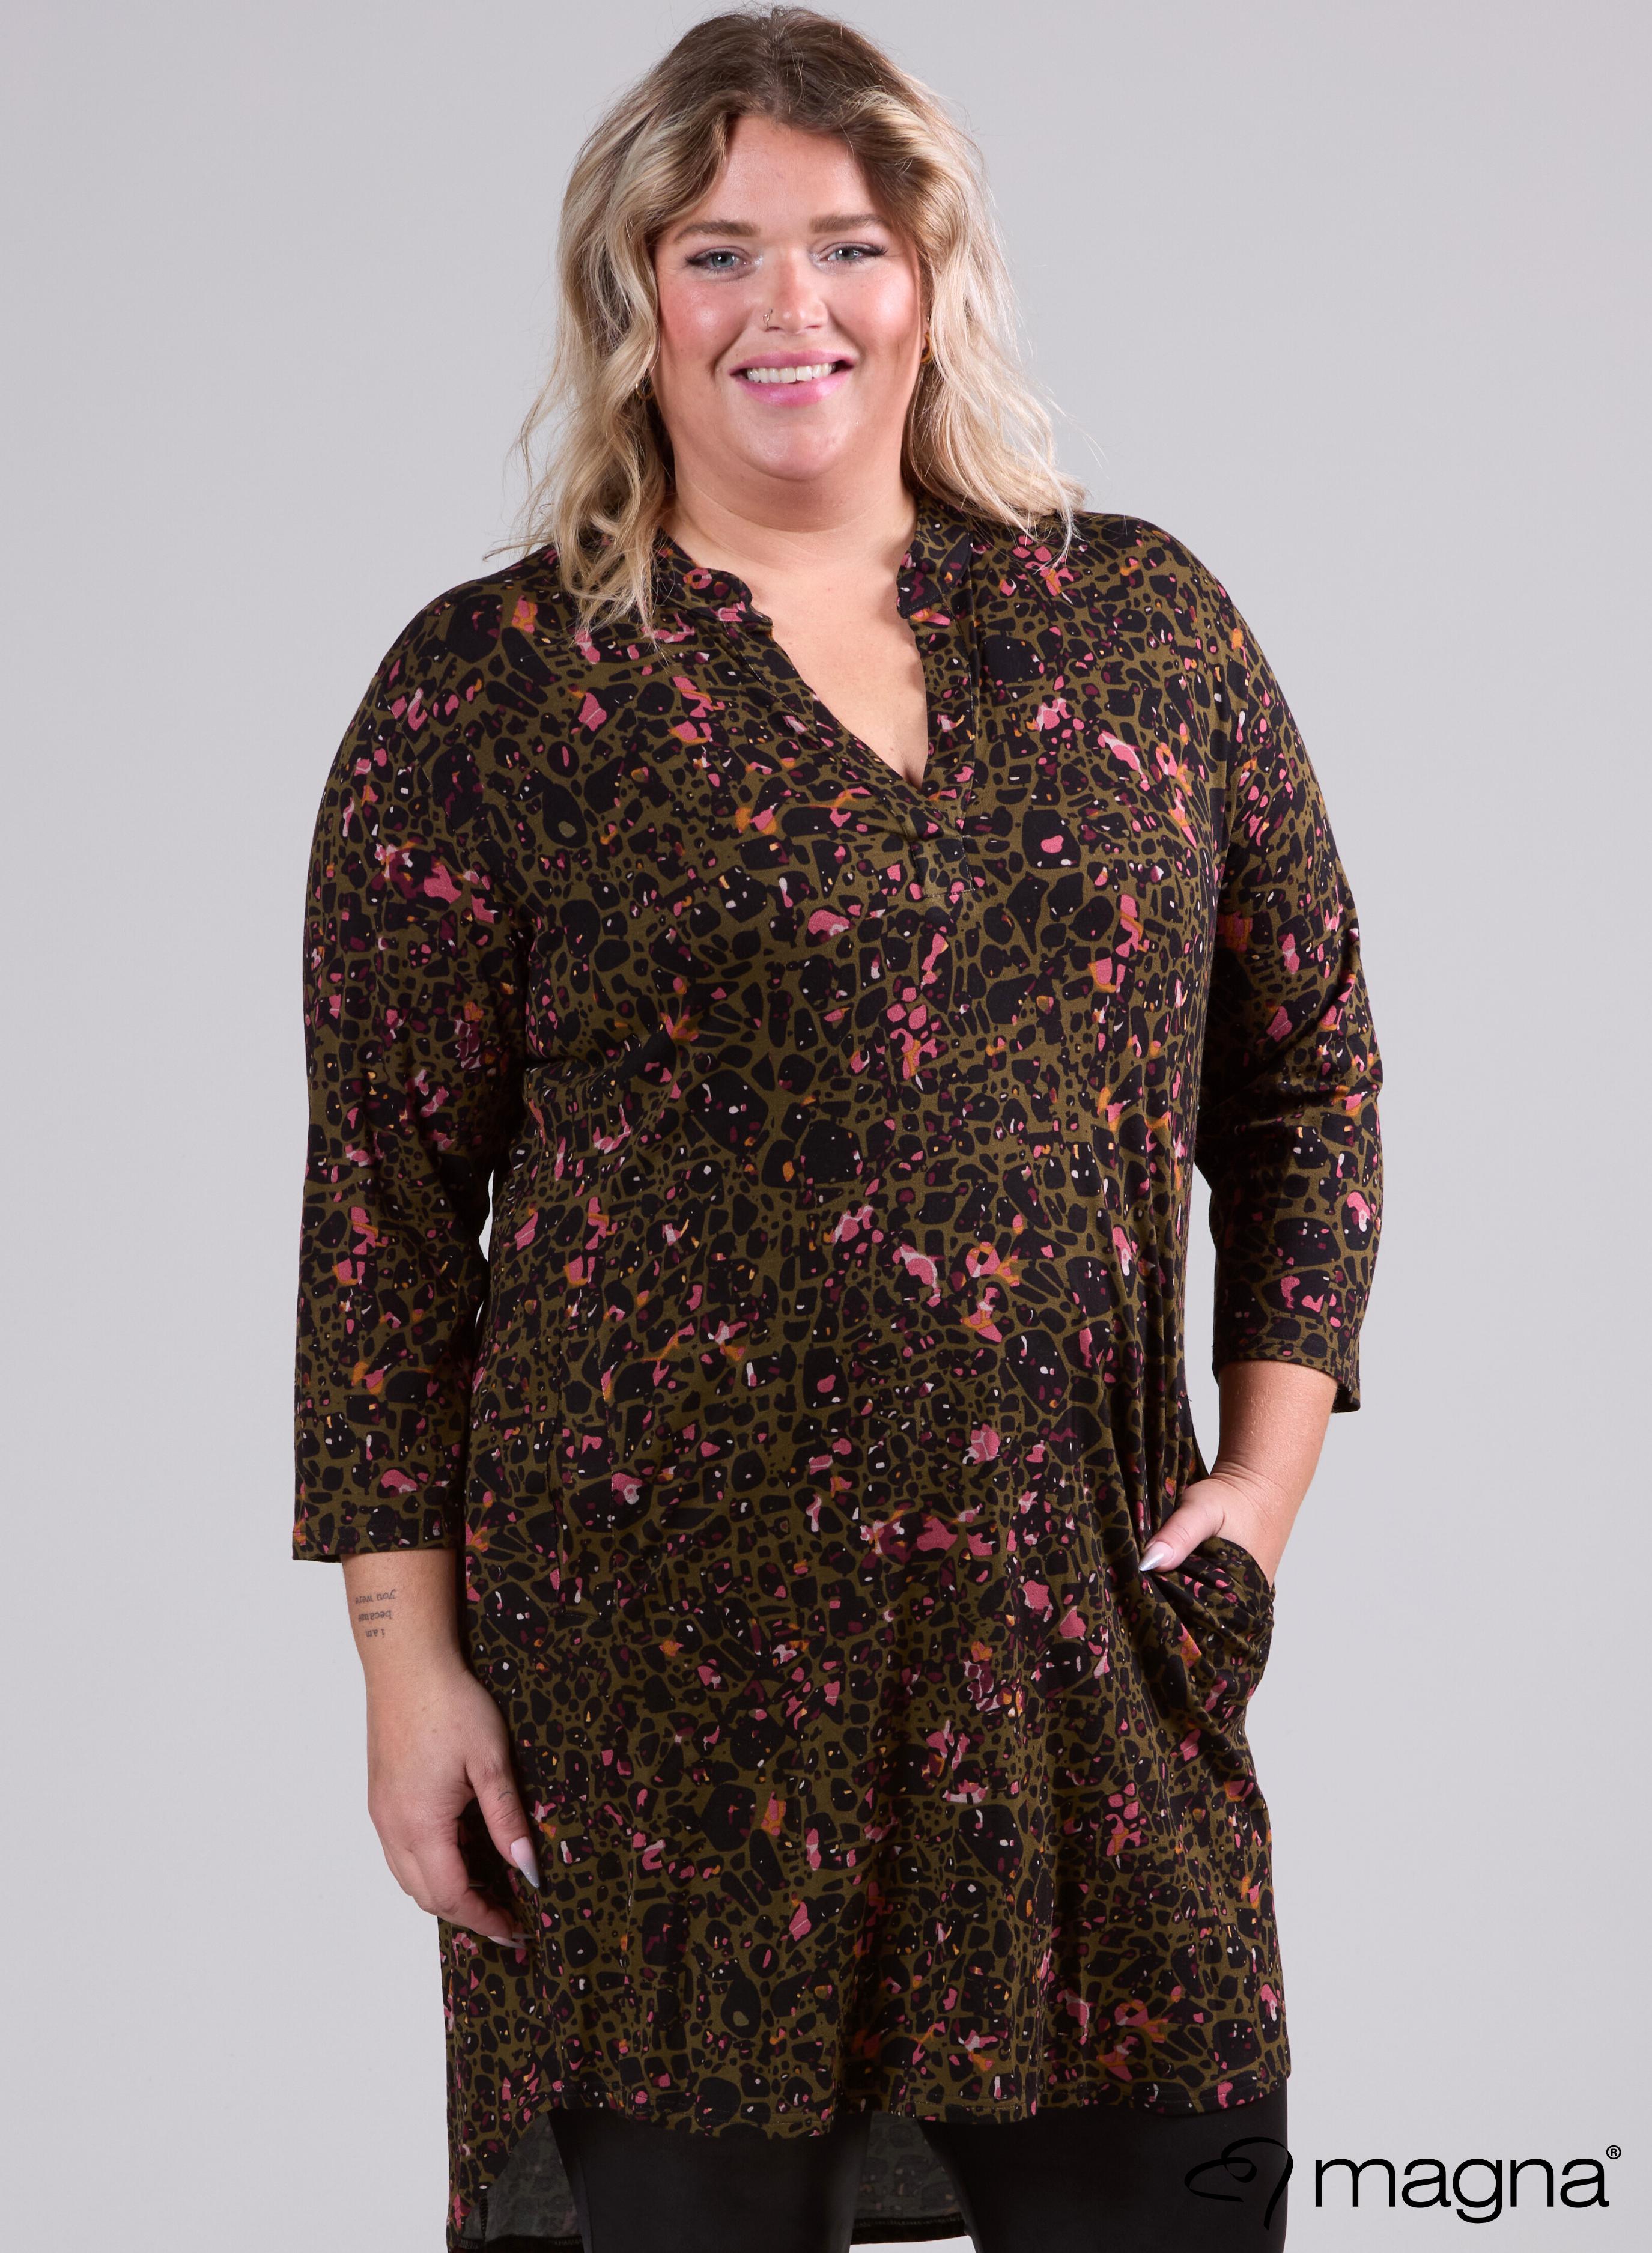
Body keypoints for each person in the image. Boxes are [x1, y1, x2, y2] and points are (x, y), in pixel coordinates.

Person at [293, 9, 1382, 2248]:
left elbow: (1309, 1076)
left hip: (1075, 1653)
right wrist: (410, 1668)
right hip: (656, 1698)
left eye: (849, 245)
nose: (789, 306)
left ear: (931, 279)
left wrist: (1262, 1497)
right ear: (634, 298)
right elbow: (383, 1212)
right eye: (718, 251)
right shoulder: (493, 689)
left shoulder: (1140, 629)